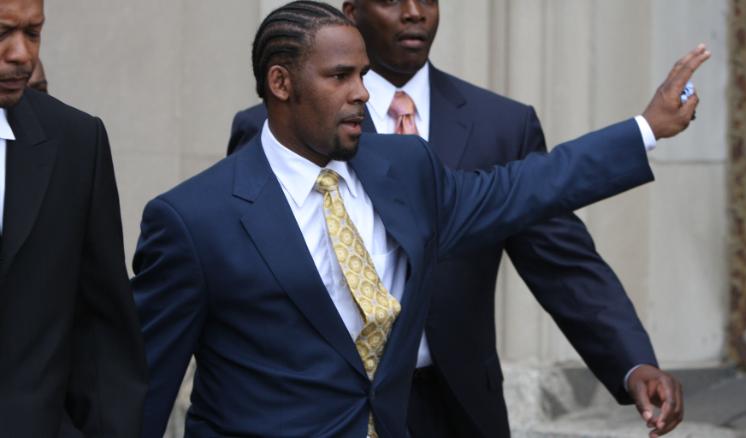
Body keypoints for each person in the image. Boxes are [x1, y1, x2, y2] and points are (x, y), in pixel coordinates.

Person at [134, 2, 706, 437]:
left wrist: (644, 129)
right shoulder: (190, 218)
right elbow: (144, 384)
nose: (362, 94)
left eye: (362, 76)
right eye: (340, 78)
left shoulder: (405, 168)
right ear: (281, 86)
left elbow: (529, 187)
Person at [0, 0, 147, 436]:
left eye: (33, 32)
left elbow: (104, 336)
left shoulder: (76, 143)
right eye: (3, 32)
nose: (22, 54)